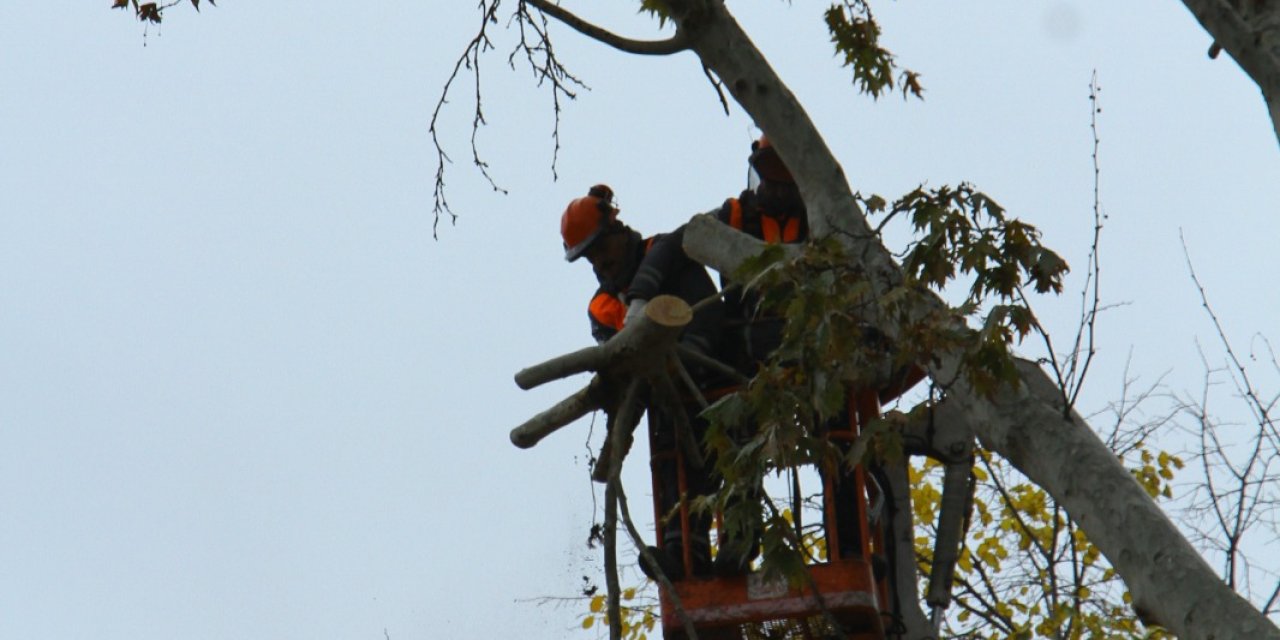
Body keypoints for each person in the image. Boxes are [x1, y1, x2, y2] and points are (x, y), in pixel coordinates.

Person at [560, 184, 726, 581]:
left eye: (601, 249)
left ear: (618, 231)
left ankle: (739, 538)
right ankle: (681, 552)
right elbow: (617, 368)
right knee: (669, 464)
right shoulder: (603, 307)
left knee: (726, 458)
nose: (600, 263)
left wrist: (688, 361)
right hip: (664, 404)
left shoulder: (666, 255)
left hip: (716, 384)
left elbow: (710, 316)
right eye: (590, 258)